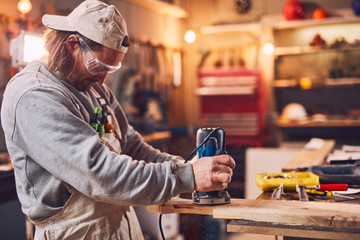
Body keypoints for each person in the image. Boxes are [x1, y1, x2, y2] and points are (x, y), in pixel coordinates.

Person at [1, 1, 235, 239]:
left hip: (119, 224)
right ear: (72, 44)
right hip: (74, 232)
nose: (102, 80)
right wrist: (187, 176)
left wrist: (188, 165)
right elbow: (100, 172)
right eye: (98, 66)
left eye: (109, 70)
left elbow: (131, 146)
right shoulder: (35, 95)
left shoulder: (92, 86)